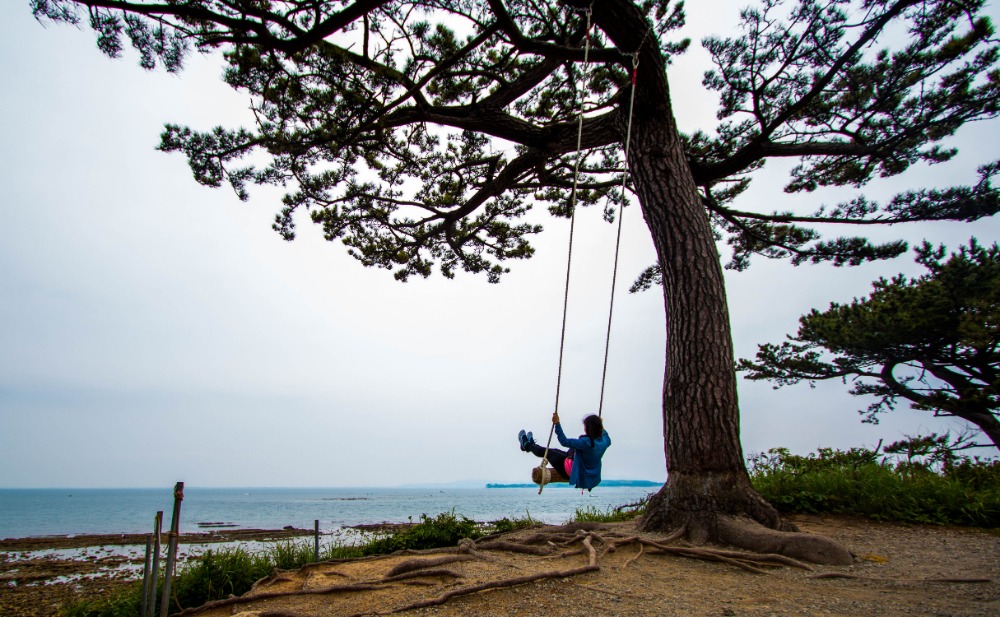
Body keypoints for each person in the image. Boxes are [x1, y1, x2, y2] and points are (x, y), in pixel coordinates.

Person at [518, 412, 611, 491]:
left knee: (548, 453)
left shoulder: (586, 443)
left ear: (589, 428)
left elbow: (564, 441)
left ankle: (526, 445)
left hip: (572, 470)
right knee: (553, 451)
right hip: (586, 472)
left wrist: (557, 424)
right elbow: (605, 433)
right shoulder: (604, 441)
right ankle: (532, 446)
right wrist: (600, 424)